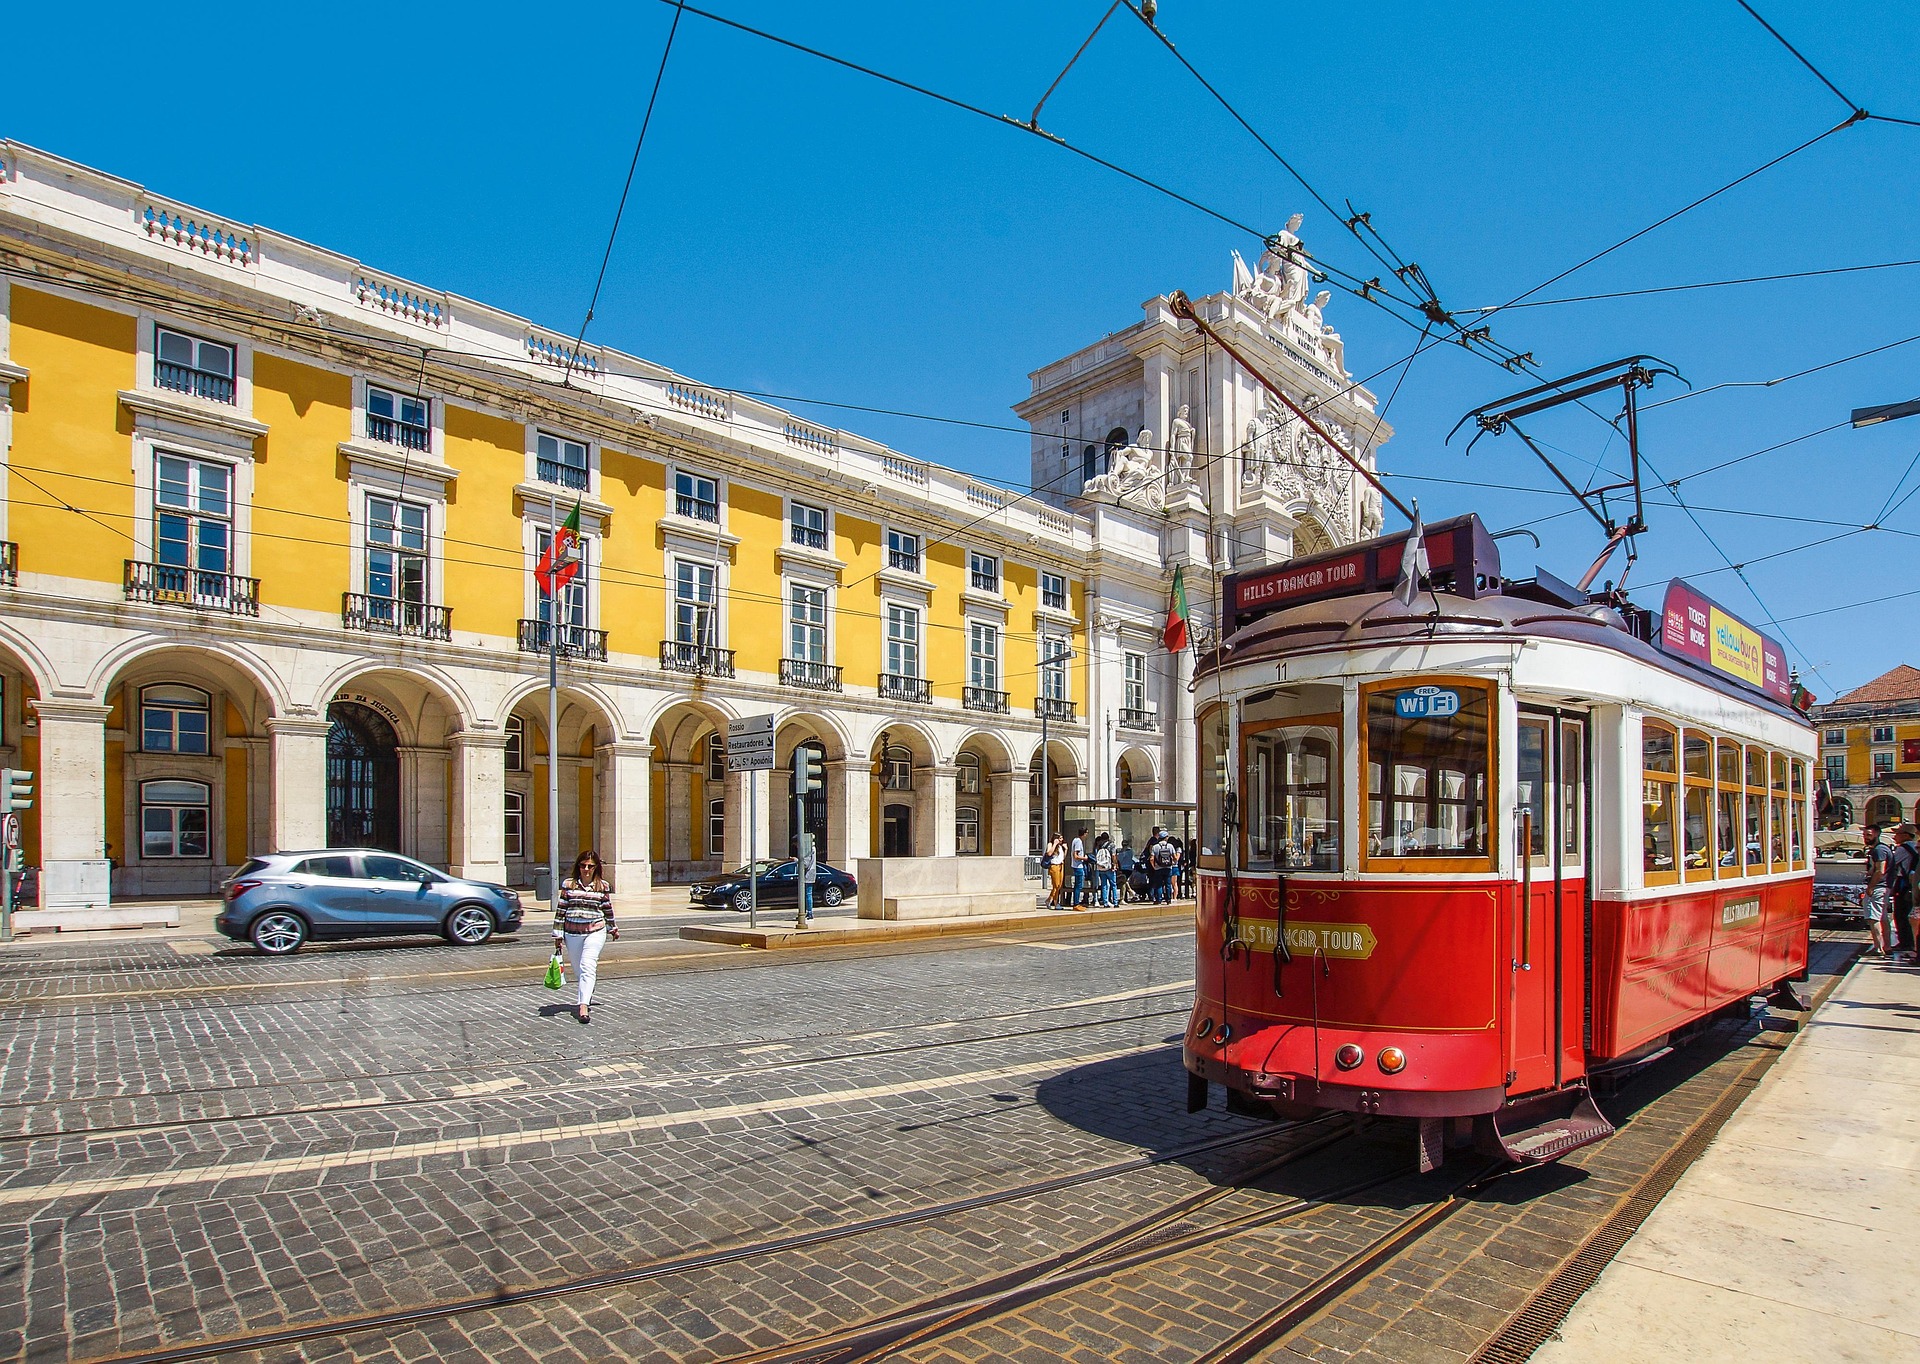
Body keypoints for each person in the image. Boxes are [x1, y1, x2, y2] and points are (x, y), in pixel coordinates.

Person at [552, 850, 616, 1024]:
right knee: (579, 970)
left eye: (590, 866)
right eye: (583, 865)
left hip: (595, 931)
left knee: (588, 965)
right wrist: (557, 934)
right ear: (578, 866)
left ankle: (583, 1007)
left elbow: (607, 909)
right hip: (572, 933)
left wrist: (612, 928)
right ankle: (588, 989)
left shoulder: (602, 886)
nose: (586, 869)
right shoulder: (569, 885)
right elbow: (561, 910)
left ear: (596, 868)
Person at [1862, 823, 1892, 957]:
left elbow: (1880, 870)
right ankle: (1887, 946)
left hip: (1878, 887)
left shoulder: (1879, 850)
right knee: (1883, 918)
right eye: (1864, 835)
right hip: (1883, 887)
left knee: (1874, 918)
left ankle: (1878, 948)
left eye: (1869, 835)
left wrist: (1871, 886)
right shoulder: (1881, 849)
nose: (1866, 837)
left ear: (1877, 834)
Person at [1891, 824, 1919, 963]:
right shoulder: (1915, 847)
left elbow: (1891, 864)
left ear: (1907, 835)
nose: (1895, 836)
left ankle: (1905, 942)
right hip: (1912, 885)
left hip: (1904, 884)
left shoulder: (1903, 848)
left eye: (1898, 833)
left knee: (1901, 914)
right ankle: (1911, 943)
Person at [795, 836, 817, 923]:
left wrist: (796, 860)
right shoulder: (812, 848)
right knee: (807, 894)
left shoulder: (808, 849)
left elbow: (805, 864)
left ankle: (809, 913)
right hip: (810, 873)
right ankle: (807, 912)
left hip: (808, 874)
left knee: (807, 894)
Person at [1093, 832, 1117, 907]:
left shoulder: (1099, 845)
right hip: (1109, 867)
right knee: (1113, 884)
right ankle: (1115, 902)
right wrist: (1114, 864)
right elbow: (1113, 855)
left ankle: (1105, 902)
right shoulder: (1111, 845)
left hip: (1101, 867)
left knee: (1104, 885)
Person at [1069, 827, 1090, 909]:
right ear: (1084, 833)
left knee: (1077, 885)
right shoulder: (1078, 842)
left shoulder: (1075, 840)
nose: (1087, 835)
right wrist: (1085, 858)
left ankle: (1076, 902)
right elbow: (1076, 856)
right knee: (1078, 885)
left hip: (1076, 866)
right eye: (1087, 833)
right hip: (1078, 866)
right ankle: (1076, 904)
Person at [1045, 832, 1068, 907]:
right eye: (1060, 838)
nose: (1062, 840)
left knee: (1059, 885)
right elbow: (1049, 853)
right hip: (1054, 866)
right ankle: (1055, 902)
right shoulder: (1050, 844)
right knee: (1056, 885)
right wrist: (1054, 844)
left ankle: (1049, 899)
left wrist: (1066, 849)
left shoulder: (1060, 847)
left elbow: (1062, 858)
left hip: (1061, 865)